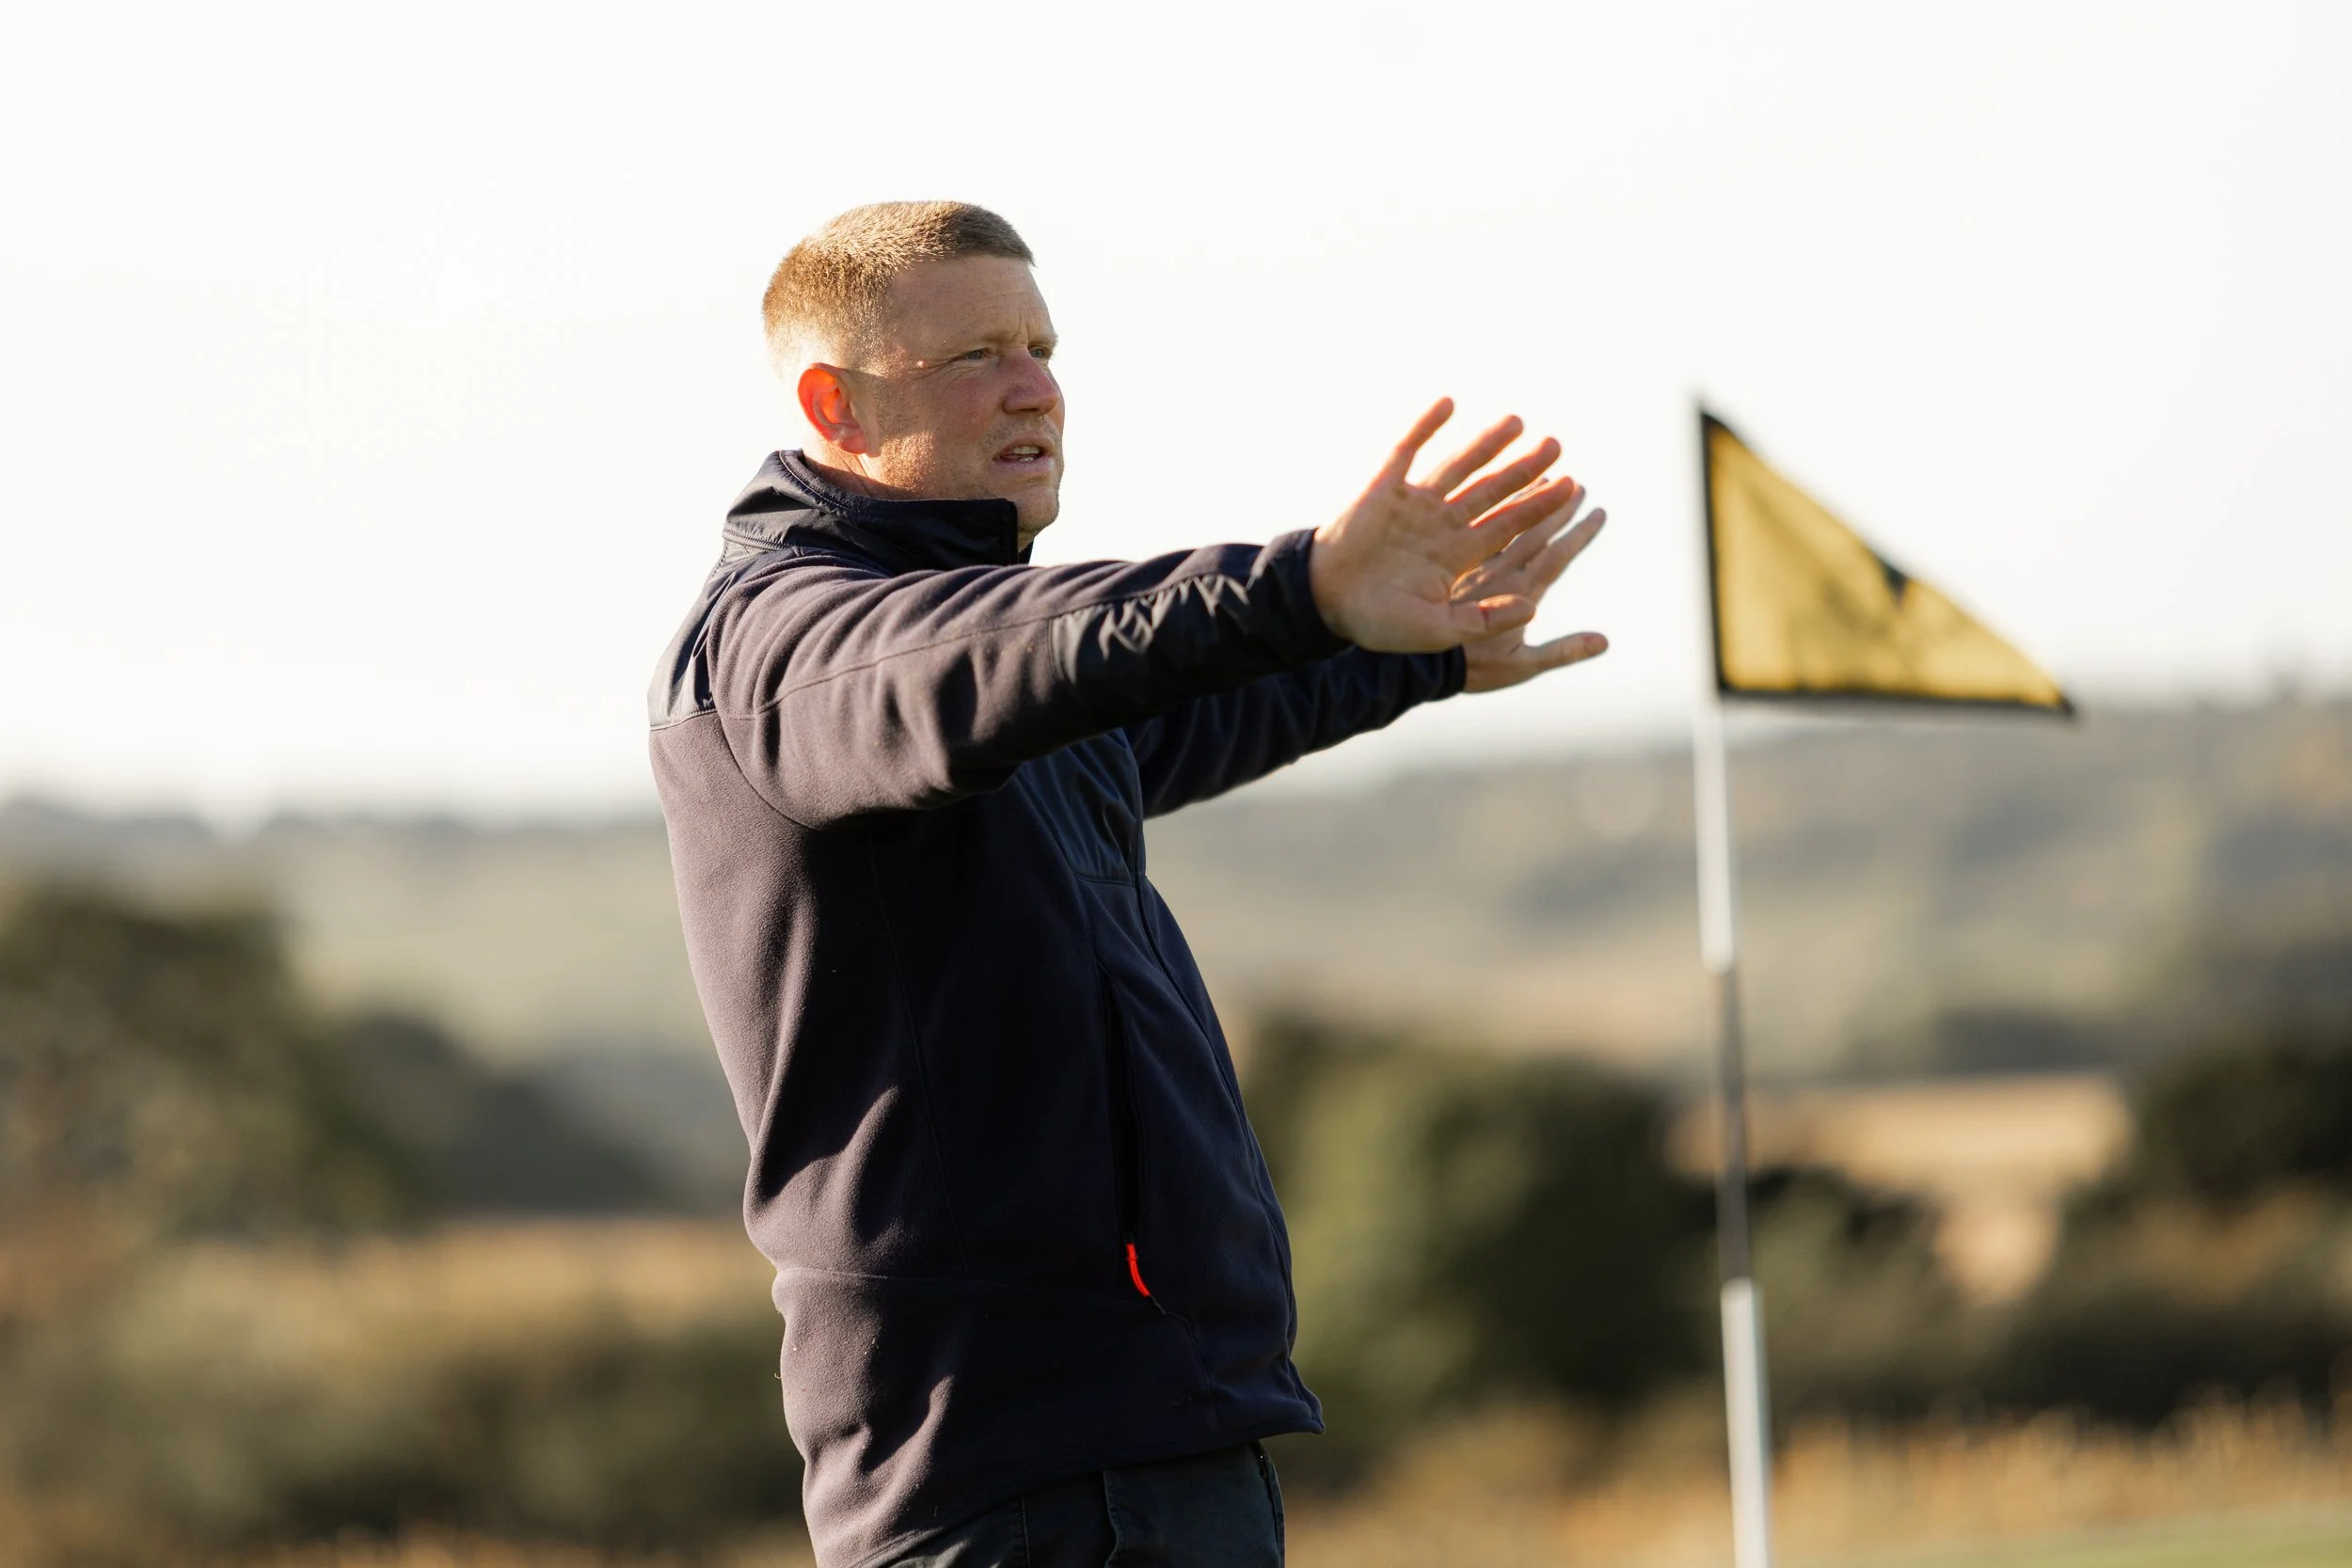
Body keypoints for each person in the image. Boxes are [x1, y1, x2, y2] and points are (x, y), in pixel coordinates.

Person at [649, 201, 1609, 1568]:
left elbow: (1158, 705)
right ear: (836, 407)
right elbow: (998, 659)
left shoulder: (993, 656)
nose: (1035, 384)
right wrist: (1304, 583)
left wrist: (1409, 652)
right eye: (977, 352)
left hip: (1148, 1448)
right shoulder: (792, 643)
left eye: (1041, 344)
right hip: (1014, 1484)